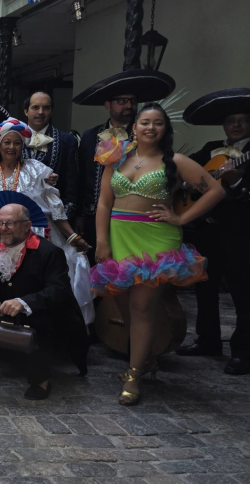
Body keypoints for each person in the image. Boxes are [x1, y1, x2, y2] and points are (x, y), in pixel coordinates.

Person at [92, 103, 225, 405]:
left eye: (158, 123)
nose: (150, 128)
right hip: (119, 236)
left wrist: (181, 218)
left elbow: (216, 191)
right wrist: (102, 241)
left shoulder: (175, 161)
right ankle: (147, 359)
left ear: (165, 129)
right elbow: (103, 203)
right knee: (125, 309)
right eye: (145, 122)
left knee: (142, 308)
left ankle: (134, 374)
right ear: (134, 127)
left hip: (157, 240)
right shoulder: (116, 158)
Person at [0, 119, 94, 346]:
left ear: (23, 147)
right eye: (7, 142)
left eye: (17, 143)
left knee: (41, 280)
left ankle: (40, 337)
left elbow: (55, 209)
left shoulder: (37, 171)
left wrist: (72, 236)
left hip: (37, 236)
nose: (11, 147)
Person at [0, 203, 90, 400]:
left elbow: (59, 292)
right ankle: (23, 357)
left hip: (52, 317)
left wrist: (24, 302)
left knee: (37, 330)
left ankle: (41, 379)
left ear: (27, 226)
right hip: (15, 316)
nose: (3, 228)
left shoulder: (49, 252)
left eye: (10, 223)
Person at [177, 88, 250, 375]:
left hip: (239, 232)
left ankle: (243, 352)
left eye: (243, 120)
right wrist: (190, 185)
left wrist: (233, 183)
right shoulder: (210, 148)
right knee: (204, 287)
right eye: (232, 120)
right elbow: (182, 172)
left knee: (241, 293)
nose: (236, 125)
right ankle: (207, 340)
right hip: (206, 230)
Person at [73, 69, 176, 260]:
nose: (128, 105)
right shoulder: (89, 136)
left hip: (132, 219)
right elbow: (82, 176)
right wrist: (79, 214)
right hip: (92, 216)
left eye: (133, 101)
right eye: (122, 101)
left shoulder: (146, 136)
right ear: (107, 105)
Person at [22, 92, 80, 219]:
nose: (41, 112)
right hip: (19, 214)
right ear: (26, 111)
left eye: (46, 108)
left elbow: (72, 183)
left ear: (51, 111)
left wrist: (66, 215)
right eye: (35, 107)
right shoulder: (13, 140)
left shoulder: (67, 141)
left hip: (55, 216)